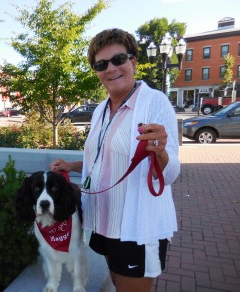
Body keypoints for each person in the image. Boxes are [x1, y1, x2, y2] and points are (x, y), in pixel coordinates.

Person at [50, 28, 180, 292]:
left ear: (133, 61)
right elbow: (101, 159)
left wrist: (160, 151)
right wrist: (72, 167)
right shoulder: (101, 109)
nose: (110, 68)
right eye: (101, 64)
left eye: (118, 59)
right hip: (104, 222)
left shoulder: (155, 103)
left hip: (136, 227)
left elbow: (170, 175)